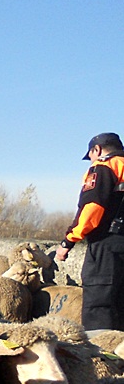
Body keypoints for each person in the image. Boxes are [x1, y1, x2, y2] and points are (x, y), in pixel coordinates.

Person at [56, 132, 124, 329]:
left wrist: (68, 241)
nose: (91, 160)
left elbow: (92, 210)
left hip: (108, 245)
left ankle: (103, 357)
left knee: (99, 307)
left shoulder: (104, 167)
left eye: (91, 155)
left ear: (98, 150)